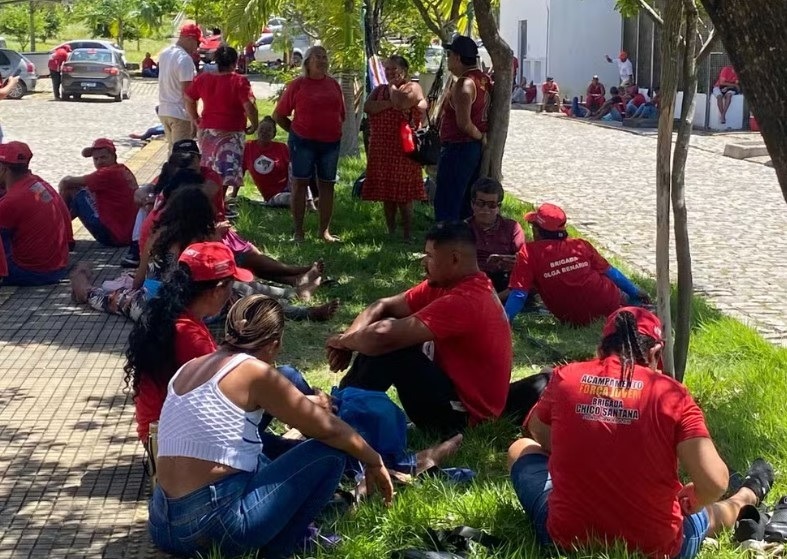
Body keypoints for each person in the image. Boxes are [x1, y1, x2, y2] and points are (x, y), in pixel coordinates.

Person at [508, 306, 776, 559]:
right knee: (708, 514)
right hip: (658, 547)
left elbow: (539, 433)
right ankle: (747, 495)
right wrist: (696, 497)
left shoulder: (566, 377)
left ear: (601, 347)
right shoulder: (671, 394)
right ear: (656, 351)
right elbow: (715, 482)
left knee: (520, 448)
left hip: (566, 539)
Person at [148, 294, 395, 559]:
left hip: (162, 524)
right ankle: (285, 546)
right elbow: (328, 429)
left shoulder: (189, 368)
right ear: (275, 344)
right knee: (331, 454)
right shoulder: (254, 372)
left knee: (256, 444)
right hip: (212, 529)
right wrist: (374, 460)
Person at [327, 221, 513, 435]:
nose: (424, 263)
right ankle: (339, 409)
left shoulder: (466, 300)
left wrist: (342, 341)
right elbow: (383, 306)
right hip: (451, 394)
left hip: (464, 418)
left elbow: (381, 338)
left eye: (430, 256)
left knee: (391, 345)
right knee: (387, 335)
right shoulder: (447, 284)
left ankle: (338, 416)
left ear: (454, 259)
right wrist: (349, 340)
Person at [123, 241, 250, 445]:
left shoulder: (174, 316)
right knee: (286, 378)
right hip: (173, 444)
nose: (232, 295)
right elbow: (231, 388)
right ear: (217, 289)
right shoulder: (187, 333)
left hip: (164, 434)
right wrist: (250, 347)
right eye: (231, 286)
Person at [505, 203, 649, 326]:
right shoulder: (580, 245)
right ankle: (637, 305)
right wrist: (635, 291)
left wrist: (504, 322)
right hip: (609, 305)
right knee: (631, 295)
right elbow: (611, 273)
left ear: (536, 230)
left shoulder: (528, 253)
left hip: (573, 318)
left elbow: (519, 294)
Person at [273, 46, 345, 242]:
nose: (322, 61)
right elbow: (279, 115)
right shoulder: (298, 85)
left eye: (324, 57)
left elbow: (341, 115)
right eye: (317, 57)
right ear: (307, 62)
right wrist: (296, 132)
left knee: (327, 185)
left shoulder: (333, 85)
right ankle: (298, 232)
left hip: (330, 143)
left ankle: (324, 232)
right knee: (300, 183)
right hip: (302, 142)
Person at [362, 55, 427, 242]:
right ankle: (390, 231)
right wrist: (390, 102)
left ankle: (407, 234)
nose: (390, 73)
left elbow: (402, 103)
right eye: (387, 69)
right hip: (382, 148)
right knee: (387, 193)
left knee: (404, 195)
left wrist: (392, 89)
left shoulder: (413, 87)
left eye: (394, 69)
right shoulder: (378, 90)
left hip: (404, 149)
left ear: (404, 71)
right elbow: (368, 107)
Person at [185, 45, 259, 199]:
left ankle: (211, 202)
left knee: (209, 167)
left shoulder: (203, 78)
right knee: (226, 171)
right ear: (235, 62)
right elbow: (249, 106)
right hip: (231, 131)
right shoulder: (239, 81)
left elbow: (189, 98)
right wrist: (255, 124)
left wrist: (195, 118)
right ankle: (220, 203)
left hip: (207, 130)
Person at [435, 36, 492, 222]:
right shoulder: (483, 79)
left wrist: (480, 137)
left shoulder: (465, 83)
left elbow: (464, 123)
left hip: (459, 147)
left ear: (458, 57)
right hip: (469, 150)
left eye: (449, 55)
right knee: (464, 202)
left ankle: (445, 243)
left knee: (448, 202)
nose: (448, 59)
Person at [0, 142, 72, 286]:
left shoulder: (12, 200)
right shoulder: (37, 183)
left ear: (3, 168)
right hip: (58, 266)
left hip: (33, 273)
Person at [58, 138, 138, 247]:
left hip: (114, 236)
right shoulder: (122, 169)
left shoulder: (108, 173)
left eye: (103, 157)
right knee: (81, 195)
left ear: (114, 156)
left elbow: (66, 181)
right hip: (126, 233)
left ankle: (59, 234)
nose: (99, 162)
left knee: (72, 190)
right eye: (96, 159)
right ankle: (58, 230)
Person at [465, 178, 524, 298]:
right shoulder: (462, 229)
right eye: (480, 204)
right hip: (473, 279)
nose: (485, 210)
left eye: (491, 205)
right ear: (472, 204)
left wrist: (510, 262)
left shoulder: (512, 227)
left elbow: (524, 258)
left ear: (499, 207)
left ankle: (493, 299)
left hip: (505, 280)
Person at [158, 24, 201, 149]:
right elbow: (188, 94)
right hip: (180, 113)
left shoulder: (165, 53)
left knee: (172, 151)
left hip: (165, 110)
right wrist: (194, 119)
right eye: (197, 43)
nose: (197, 48)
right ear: (190, 39)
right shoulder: (185, 59)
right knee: (181, 155)